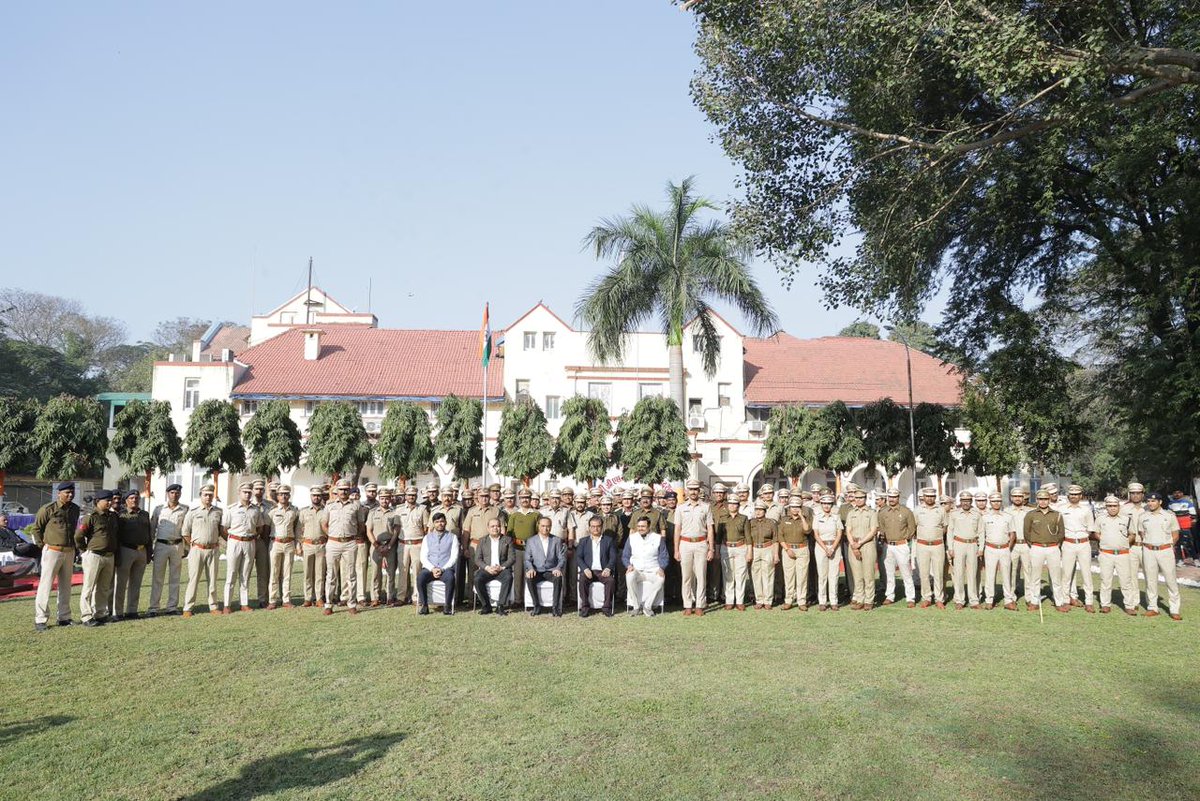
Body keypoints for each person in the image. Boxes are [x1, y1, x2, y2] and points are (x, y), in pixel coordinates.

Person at [29, 481, 80, 632]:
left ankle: (64, 617)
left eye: (72, 492)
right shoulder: (48, 509)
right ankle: (41, 619)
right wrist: (42, 546)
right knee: (46, 585)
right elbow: (36, 529)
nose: (70, 495)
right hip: (52, 550)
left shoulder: (75, 509)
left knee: (65, 586)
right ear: (59, 493)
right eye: (67, 493)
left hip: (69, 551)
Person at [76, 489, 120, 627]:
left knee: (103, 587)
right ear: (97, 501)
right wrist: (84, 551)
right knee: (89, 587)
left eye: (110, 500)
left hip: (109, 556)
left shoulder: (113, 516)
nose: (109, 502)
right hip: (94, 555)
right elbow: (78, 535)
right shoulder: (91, 517)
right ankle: (86, 616)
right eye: (106, 500)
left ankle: (100, 613)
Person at [1139, 492, 1183, 620]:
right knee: (1150, 580)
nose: (1150, 503)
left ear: (1160, 502)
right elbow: (1143, 533)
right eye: (1148, 501)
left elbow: (1176, 534)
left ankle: (1174, 609)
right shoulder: (1143, 516)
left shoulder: (1169, 516)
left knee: (1171, 580)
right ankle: (1152, 608)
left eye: (1153, 501)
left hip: (1165, 550)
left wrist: (1167, 546)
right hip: (1148, 550)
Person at [147, 483, 188, 617]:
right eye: (172, 492)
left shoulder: (185, 509)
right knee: (157, 577)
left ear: (180, 494)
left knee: (175, 577)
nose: (174, 495)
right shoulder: (159, 509)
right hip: (161, 545)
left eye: (177, 493)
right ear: (167, 494)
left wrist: (186, 548)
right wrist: (150, 548)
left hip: (177, 545)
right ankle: (153, 607)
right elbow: (152, 529)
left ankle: (172, 606)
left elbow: (186, 530)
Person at [321, 479, 361, 616]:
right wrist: (332, 535)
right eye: (341, 489)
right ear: (336, 491)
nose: (343, 491)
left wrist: (352, 536)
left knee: (351, 575)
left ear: (349, 490)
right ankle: (328, 604)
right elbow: (324, 524)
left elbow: (360, 525)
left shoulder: (355, 506)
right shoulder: (329, 506)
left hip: (350, 543)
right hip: (333, 543)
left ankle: (352, 603)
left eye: (346, 489)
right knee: (331, 575)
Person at [222, 481, 264, 614]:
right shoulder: (231, 509)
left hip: (250, 542)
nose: (247, 494)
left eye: (249, 492)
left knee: (245, 575)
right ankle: (227, 604)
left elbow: (260, 527)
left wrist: (252, 537)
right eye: (244, 492)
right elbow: (224, 528)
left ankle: (244, 603)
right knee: (232, 574)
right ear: (239, 493)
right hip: (234, 541)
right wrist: (230, 541)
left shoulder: (256, 510)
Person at [674, 479, 714, 616]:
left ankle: (700, 605)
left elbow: (710, 529)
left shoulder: (706, 507)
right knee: (686, 576)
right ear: (686, 491)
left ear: (699, 491)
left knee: (701, 575)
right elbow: (677, 530)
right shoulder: (680, 508)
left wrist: (711, 548)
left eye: (695, 489)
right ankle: (687, 605)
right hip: (685, 544)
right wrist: (676, 549)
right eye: (690, 489)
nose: (693, 492)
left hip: (701, 543)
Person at [182, 484, 223, 616]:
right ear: (200, 496)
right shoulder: (193, 512)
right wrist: (193, 545)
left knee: (212, 580)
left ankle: (213, 606)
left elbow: (221, 531)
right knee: (193, 579)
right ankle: (188, 607)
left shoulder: (218, 512)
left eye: (210, 495)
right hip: (197, 550)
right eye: (205, 495)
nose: (208, 497)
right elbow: (185, 532)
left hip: (213, 549)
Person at [1024, 489, 1067, 612]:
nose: (1043, 502)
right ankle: (1034, 602)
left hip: (1053, 547)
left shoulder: (1057, 514)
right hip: (1036, 547)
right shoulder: (1031, 514)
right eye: (1040, 499)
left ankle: (1059, 602)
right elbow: (1026, 533)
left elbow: (1061, 533)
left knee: (1056, 576)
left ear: (1049, 500)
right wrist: (1033, 544)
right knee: (1035, 576)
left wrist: (1055, 544)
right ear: (1037, 500)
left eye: (1045, 499)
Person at [1095, 495, 1138, 615]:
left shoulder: (1127, 519)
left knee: (1126, 581)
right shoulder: (1100, 518)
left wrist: (1125, 543)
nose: (1112, 508)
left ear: (1119, 506)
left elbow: (1132, 534)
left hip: (1122, 554)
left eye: (1115, 506)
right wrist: (1103, 540)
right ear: (1106, 507)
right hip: (1106, 554)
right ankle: (1105, 605)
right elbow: (1096, 533)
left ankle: (1129, 605)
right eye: (1110, 506)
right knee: (1105, 580)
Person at [113, 490, 152, 620]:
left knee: (136, 583)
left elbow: (149, 534)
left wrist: (149, 552)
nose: (134, 500)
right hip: (126, 550)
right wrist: (117, 554)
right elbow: (116, 536)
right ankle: (117, 611)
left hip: (141, 551)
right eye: (131, 498)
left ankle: (132, 610)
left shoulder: (145, 514)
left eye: (136, 498)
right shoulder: (121, 515)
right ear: (126, 501)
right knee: (121, 583)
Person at [1059, 484, 1097, 612]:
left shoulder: (1086, 509)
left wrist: (1083, 537)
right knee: (1066, 573)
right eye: (1072, 494)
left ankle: (1089, 601)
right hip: (1068, 543)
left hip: (1083, 543)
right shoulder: (1061, 509)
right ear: (1068, 495)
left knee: (1086, 573)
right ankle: (1065, 600)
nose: (1074, 496)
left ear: (1081, 496)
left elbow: (1091, 528)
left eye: (1076, 494)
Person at [878, 488, 916, 607]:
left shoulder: (906, 511)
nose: (892, 499)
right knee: (889, 572)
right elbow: (881, 527)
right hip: (888, 545)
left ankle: (910, 597)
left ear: (898, 497)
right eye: (890, 497)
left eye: (894, 497)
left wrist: (905, 539)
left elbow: (912, 528)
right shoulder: (883, 512)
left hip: (901, 545)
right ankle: (890, 595)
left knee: (906, 572)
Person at [623, 517, 668, 617]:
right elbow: (625, 555)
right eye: (638, 526)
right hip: (637, 570)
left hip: (653, 570)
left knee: (660, 579)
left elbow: (664, 556)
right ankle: (636, 607)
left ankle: (647, 606)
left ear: (649, 527)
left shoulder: (658, 538)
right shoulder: (631, 537)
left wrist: (662, 568)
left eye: (643, 526)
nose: (640, 528)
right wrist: (628, 565)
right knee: (629, 576)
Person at [462, 487, 500, 605]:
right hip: (474, 545)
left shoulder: (496, 511)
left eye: (486, 496)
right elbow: (466, 531)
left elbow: (501, 529)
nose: (484, 498)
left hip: (490, 545)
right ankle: (471, 599)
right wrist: (465, 548)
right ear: (477, 498)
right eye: (481, 496)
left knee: (488, 571)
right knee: (473, 573)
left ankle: (487, 598)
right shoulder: (472, 511)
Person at [266, 484, 301, 609]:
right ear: (277, 496)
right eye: (281, 494)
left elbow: (297, 529)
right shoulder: (272, 511)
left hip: (289, 543)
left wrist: (298, 545)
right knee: (274, 573)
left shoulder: (295, 511)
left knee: (287, 573)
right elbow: (266, 528)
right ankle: (272, 600)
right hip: (275, 543)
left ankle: (286, 599)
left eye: (286, 494)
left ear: (289, 495)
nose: (284, 496)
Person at [980, 493, 1017, 610]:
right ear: (990, 503)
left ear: (1001, 502)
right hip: (990, 548)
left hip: (1004, 548)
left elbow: (1012, 534)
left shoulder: (1008, 516)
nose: (996, 503)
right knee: (990, 575)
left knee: (1006, 575)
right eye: (994, 501)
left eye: (998, 501)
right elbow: (982, 534)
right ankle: (989, 600)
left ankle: (1008, 600)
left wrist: (1008, 547)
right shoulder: (985, 517)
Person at [417, 512, 459, 615]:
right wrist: (432, 569)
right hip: (430, 568)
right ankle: (424, 606)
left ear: (445, 522)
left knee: (450, 578)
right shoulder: (427, 538)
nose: (440, 524)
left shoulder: (452, 537)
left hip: (446, 568)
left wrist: (443, 569)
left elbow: (454, 557)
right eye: (437, 522)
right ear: (433, 524)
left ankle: (447, 606)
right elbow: (423, 557)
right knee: (420, 577)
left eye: (442, 521)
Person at [844, 489, 879, 610]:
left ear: (865, 499)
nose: (858, 500)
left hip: (867, 544)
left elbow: (873, 530)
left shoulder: (871, 512)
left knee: (868, 574)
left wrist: (860, 543)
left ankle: (869, 600)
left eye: (861, 498)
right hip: (853, 544)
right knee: (857, 575)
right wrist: (853, 544)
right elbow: (848, 530)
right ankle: (860, 599)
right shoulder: (851, 513)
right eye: (856, 498)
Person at [947, 490, 983, 610]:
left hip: (972, 544)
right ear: (960, 501)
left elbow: (981, 532)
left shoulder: (977, 514)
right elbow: (950, 531)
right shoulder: (954, 514)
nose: (965, 503)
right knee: (958, 573)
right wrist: (950, 548)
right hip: (958, 544)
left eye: (968, 500)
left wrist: (981, 548)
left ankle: (973, 600)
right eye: (963, 500)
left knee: (972, 573)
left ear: (971, 501)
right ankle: (959, 599)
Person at [575, 516, 617, 617]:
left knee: (611, 581)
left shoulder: (608, 540)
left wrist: (608, 568)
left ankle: (606, 607)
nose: (595, 529)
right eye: (593, 526)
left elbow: (613, 557)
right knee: (582, 580)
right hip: (588, 571)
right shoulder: (583, 541)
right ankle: (585, 607)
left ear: (602, 527)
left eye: (598, 526)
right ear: (589, 527)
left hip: (603, 571)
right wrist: (585, 569)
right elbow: (578, 557)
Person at [913, 487, 948, 609]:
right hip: (922, 545)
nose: (929, 498)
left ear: (935, 497)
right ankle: (926, 597)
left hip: (938, 545)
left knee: (938, 573)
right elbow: (915, 525)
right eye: (927, 496)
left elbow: (944, 527)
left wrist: (935, 536)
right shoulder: (917, 510)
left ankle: (939, 598)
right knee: (924, 573)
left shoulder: (941, 510)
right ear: (923, 496)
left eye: (932, 496)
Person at [524, 516, 565, 617]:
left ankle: (555, 608)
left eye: (548, 526)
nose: (545, 529)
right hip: (536, 570)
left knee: (558, 578)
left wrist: (558, 568)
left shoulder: (556, 540)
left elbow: (562, 558)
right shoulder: (531, 541)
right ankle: (536, 606)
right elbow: (527, 559)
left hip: (551, 571)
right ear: (538, 526)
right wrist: (530, 569)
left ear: (551, 527)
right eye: (543, 526)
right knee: (529, 578)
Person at [472, 517, 514, 615]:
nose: (495, 528)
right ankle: (486, 606)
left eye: (498, 526)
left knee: (508, 577)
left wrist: (501, 567)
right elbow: (477, 559)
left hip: (502, 569)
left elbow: (512, 558)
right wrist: (487, 568)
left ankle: (501, 606)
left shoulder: (507, 540)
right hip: (487, 569)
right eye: (492, 526)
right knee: (477, 579)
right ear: (488, 528)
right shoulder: (482, 540)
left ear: (501, 527)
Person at [508, 488, 541, 609]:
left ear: (530, 499)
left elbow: (539, 533)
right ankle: (518, 600)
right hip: (518, 548)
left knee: (532, 574)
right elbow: (509, 534)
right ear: (519, 499)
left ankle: (532, 600)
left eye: (527, 497)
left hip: (532, 549)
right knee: (518, 575)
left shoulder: (536, 515)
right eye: (522, 498)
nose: (525, 500)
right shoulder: (514, 515)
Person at [365, 488, 398, 607]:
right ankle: (375, 597)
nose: (384, 500)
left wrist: (389, 546)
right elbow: (369, 530)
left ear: (390, 499)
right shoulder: (373, 512)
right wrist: (376, 545)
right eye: (382, 498)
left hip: (390, 545)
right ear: (379, 499)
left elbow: (396, 531)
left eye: (387, 498)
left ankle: (390, 596)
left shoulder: (395, 512)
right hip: (376, 545)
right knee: (375, 572)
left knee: (390, 572)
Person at [716, 495, 750, 610]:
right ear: (727, 505)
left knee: (740, 575)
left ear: (738, 506)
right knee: (728, 574)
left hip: (741, 547)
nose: (732, 506)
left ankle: (740, 601)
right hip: (726, 548)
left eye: (735, 504)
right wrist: (716, 551)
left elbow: (748, 536)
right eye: (730, 503)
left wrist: (749, 552)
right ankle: (729, 600)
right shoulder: (722, 518)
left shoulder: (744, 518)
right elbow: (718, 537)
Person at [778, 497, 812, 611]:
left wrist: (802, 517)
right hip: (788, 549)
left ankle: (801, 601)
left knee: (802, 576)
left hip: (802, 549)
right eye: (793, 507)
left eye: (797, 507)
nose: (795, 509)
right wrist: (787, 549)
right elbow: (780, 536)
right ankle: (788, 600)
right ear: (789, 508)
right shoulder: (784, 519)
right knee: (789, 576)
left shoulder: (806, 518)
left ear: (801, 508)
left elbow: (807, 530)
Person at [812, 494, 844, 611]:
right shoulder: (817, 517)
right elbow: (816, 534)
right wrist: (826, 548)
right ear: (821, 505)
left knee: (834, 575)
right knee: (822, 575)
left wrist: (833, 548)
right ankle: (822, 601)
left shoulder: (836, 517)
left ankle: (834, 601)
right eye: (824, 503)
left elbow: (839, 533)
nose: (826, 506)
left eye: (829, 504)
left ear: (832, 505)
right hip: (821, 547)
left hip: (834, 546)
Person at [298, 485, 327, 608]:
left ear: (321, 497)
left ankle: (319, 597)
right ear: (311, 496)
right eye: (314, 495)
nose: (316, 497)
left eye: (318, 495)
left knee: (320, 573)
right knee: (307, 573)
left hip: (321, 545)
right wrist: (299, 545)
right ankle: (308, 598)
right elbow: (299, 530)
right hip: (308, 545)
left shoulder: (326, 511)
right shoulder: (304, 511)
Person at [1005, 487, 1033, 607]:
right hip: (1013, 545)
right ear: (1011, 498)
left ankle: (1029, 597)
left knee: (1028, 571)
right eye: (1015, 496)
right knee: (1011, 571)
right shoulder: (1006, 511)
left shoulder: (1029, 512)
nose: (1017, 499)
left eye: (1020, 496)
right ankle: (1011, 596)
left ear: (1023, 498)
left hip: (1026, 544)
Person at [748, 501, 778, 609]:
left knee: (768, 574)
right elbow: (748, 538)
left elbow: (775, 539)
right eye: (756, 510)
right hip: (755, 548)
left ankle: (768, 600)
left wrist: (776, 554)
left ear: (765, 511)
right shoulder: (750, 523)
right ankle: (759, 600)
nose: (758, 512)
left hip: (768, 548)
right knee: (756, 575)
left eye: (760, 510)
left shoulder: (771, 523)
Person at [250, 478, 275, 609]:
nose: (259, 491)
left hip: (263, 542)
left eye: (261, 488)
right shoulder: (247, 504)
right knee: (245, 572)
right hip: (249, 541)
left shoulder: (270, 505)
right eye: (256, 488)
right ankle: (244, 600)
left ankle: (262, 598)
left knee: (263, 571)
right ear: (252, 490)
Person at [0, 512, 39, 578]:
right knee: (31, 547)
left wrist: (23, 543)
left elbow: (20, 539)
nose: (6, 521)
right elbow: (2, 544)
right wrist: (16, 545)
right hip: (11, 549)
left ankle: (39, 571)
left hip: (19, 547)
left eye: (7, 520)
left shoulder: (11, 530)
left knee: (36, 548)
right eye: (4, 520)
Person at [1167, 488, 1197, 565]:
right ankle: (1180, 560)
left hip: (1186, 526)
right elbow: (1169, 515)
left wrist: (1192, 522)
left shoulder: (1187, 502)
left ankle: (1195, 559)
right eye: (1175, 492)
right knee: (1177, 544)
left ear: (1182, 493)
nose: (1177, 494)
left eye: (1179, 492)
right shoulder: (1171, 504)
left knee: (1188, 543)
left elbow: (1193, 514)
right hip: (1175, 527)